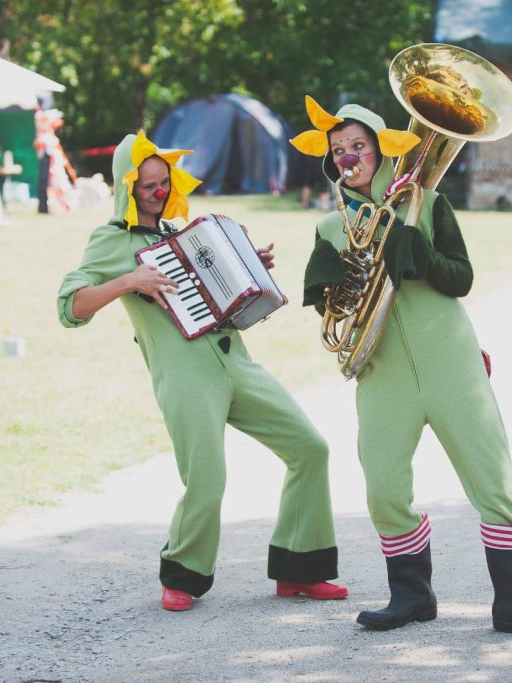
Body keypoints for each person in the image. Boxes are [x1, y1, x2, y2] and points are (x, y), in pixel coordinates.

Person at [291, 97, 512, 639]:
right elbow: (338, 309)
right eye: (339, 151)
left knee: (492, 479)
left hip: (449, 362)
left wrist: (416, 248)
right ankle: (411, 595)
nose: (350, 157)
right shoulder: (331, 226)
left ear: (381, 148)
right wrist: (328, 288)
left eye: (359, 146)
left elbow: (461, 277)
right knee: (382, 488)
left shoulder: (426, 201)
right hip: (383, 373)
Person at [57, 130, 348, 612]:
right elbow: (70, 307)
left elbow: (218, 292)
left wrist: (249, 266)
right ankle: (181, 574)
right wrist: (130, 280)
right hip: (187, 377)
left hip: (237, 362)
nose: (157, 192)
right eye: (147, 184)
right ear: (126, 187)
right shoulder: (112, 241)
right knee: (208, 479)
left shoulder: (181, 230)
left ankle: (300, 571)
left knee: (310, 449)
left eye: (162, 183)